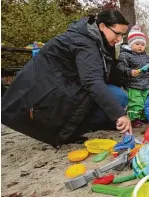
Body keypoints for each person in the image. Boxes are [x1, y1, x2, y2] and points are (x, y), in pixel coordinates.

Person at [1, 9, 132, 148]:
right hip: (52, 90)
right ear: (102, 26)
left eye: (122, 35)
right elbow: (92, 81)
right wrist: (119, 114)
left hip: (69, 85)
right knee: (117, 99)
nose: (119, 40)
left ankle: (88, 125)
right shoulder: (86, 43)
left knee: (118, 97)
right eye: (117, 34)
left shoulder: (101, 41)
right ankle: (74, 130)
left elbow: (107, 74)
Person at [117, 25, 149, 128]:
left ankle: (142, 117)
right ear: (131, 44)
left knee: (146, 101)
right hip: (133, 84)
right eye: (137, 44)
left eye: (142, 44)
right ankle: (133, 119)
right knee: (136, 103)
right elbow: (120, 66)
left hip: (145, 84)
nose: (140, 46)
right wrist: (130, 71)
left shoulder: (146, 56)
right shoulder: (125, 55)